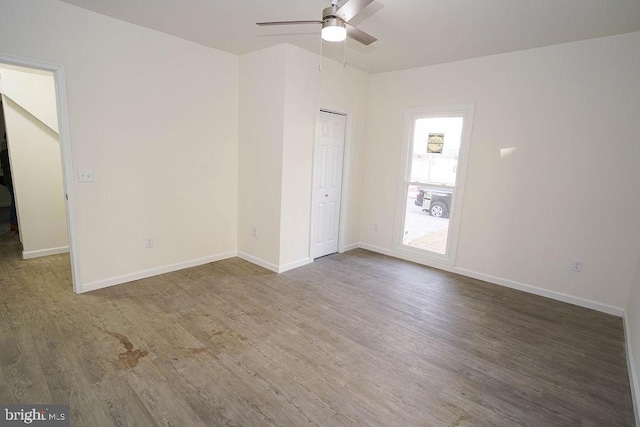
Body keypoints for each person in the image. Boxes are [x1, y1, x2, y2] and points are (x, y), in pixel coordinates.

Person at [0, 134, 17, 232]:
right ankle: (13, 222)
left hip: (8, 180)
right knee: (15, 200)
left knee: (14, 199)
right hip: (10, 180)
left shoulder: (4, 152)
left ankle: (14, 223)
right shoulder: (6, 153)